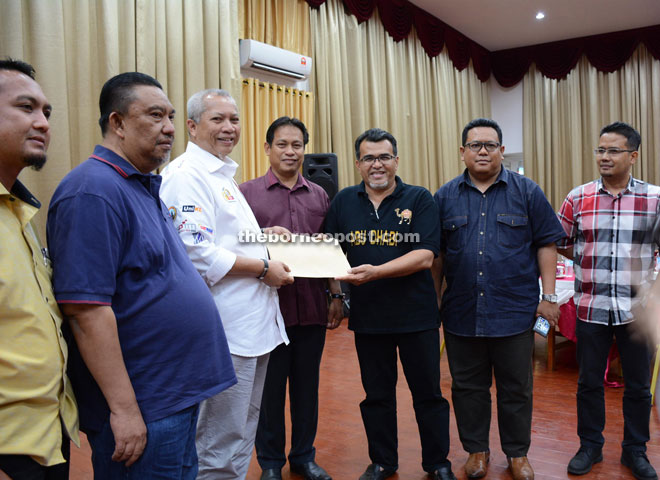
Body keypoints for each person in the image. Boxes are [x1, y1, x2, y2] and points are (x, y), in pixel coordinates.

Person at [46, 73, 236, 480]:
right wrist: (125, 410)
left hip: (174, 396)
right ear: (117, 123)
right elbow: (85, 311)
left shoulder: (141, 185)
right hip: (145, 405)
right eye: (155, 115)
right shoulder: (92, 191)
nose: (169, 127)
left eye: (170, 116)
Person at [159, 89, 291, 480]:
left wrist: (262, 235)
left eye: (233, 119)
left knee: (241, 431)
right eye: (217, 119)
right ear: (192, 125)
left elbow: (222, 236)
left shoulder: (220, 172)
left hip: (252, 328)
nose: (229, 128)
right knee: (217, 439)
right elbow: (197, 253)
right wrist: (265, 268)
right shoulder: (186, 176)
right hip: (225, 330)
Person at [433, 118, 564, 480]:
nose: (483, 151)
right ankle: (477, 450)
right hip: (461, 311)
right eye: (475, 145)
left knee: (516, 388)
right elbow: (437, 255)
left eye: (490, 145)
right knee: (468, 388)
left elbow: (546, 243)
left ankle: (517, 454)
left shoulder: (527, 191)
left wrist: (548, 296)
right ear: (462, 152)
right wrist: (434, 302)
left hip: (514, 310)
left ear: (502, 151)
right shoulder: (444, 196)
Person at [324, 128, 455, 480]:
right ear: (358, 164)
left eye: (384, 157)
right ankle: (383, 461)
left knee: (428, 394)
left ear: (396, 160)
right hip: (369, 319)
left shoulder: (420, 199)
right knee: (377, 396)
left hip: (418, 317)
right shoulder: (344, 202)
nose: (377, 164)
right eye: (369, 158)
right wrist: (336, 294)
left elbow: (425, 256)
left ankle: (437, 463)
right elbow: (330, 251)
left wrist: (377, 272)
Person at [240, 116, 344, 480]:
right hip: (267, 309)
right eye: (282, 144)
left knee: (307, 388)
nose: (290, 151)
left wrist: (335, 294)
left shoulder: (319, 195)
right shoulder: (245, 194)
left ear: (304, 149)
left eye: (297, 145)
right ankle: (270, 463)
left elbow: (329, 249)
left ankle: (303, 457)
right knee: (269, 392)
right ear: (267, 148)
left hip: (312, 308)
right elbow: (234, 244)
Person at [557, 122, 660, 480]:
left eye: (613, 151)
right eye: (600, 150)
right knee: (588, 384)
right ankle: (590, 446)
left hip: (638, 311)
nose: (604, 156)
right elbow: (562, 241)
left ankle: (635, 451)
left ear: (633, 156)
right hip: (591, 308)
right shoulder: (578, 197)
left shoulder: (655, 198)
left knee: (637, 386)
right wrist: (591, 262)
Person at [0, 57, 79, 480]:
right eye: (26, 107)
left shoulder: (20, 209)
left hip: (46, 428)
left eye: (46, 111)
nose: (44, 122)